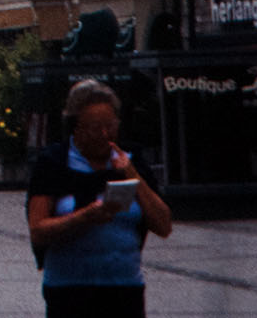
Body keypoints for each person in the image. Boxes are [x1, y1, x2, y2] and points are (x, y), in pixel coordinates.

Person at [26, 79, 173, 318]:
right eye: (95, 128)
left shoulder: (131, 159)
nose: (105, 135)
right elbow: (38, 229)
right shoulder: (54, 163)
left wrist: (131, 174)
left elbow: (163, 224)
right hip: (69, 290)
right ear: (76, 128)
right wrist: (83, 218)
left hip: (125, 288)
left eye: (111, 126)